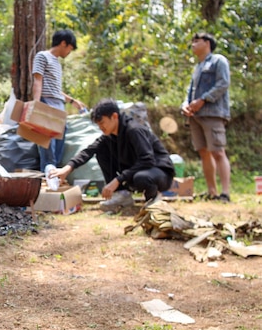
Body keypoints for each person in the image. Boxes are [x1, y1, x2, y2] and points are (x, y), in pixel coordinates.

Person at [48, 98, 175, 212]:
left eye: (102, 122)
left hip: (159, 172)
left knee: (141, 177)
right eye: (98, 124)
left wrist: (117, 180)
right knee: (101, 151)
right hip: (136, 172)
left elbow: (147, 160)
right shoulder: (109, 136)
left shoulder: (134, 130)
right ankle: (122, 195)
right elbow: (89, 151)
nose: (101, 127)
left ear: (114, 116)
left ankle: (153, 199)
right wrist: (67, 168)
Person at [181, 32, 231, 202]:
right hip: (195, 116)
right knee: (203, 152)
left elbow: (223, 83)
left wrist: (203, 99)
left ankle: (225, 193)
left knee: (218, 151)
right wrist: (185, 105)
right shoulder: (197, 67)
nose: (193, 44)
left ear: (207, 43)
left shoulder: (218, 61)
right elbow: (190, 91)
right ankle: (212, 192)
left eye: (196, 41)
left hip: (213, 113)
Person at [31, 29, 86, 173]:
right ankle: (47, 172)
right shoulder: (42, 56)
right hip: (46, 102)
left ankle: (54, 172)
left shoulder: (57, 63)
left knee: (60, 139)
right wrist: (36, 105)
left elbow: (56, 89)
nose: (69, 52)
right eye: (70, 48)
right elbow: (38, 80)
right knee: (48, 143)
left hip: (58, 105)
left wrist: (73, 101)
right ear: (63, 43)